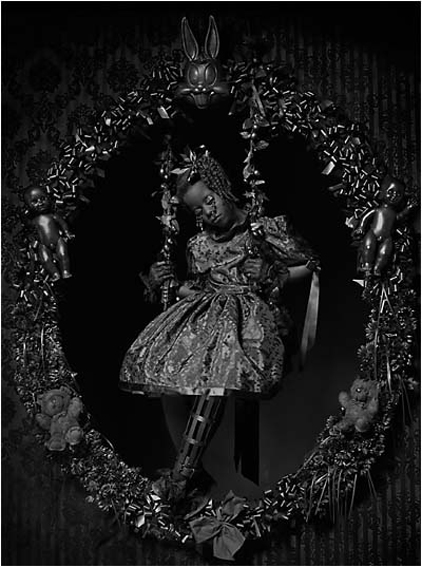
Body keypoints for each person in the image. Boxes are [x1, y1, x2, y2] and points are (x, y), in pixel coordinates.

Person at [119, 149, 320, 496]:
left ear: (222, 186)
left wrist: (274, 273)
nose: (207, 212)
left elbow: (312, 265)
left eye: (209, 200)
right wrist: (166, 284)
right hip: (209, 325)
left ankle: (184, 472)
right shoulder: (198, 246)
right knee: (170, 372)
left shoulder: (263, 230)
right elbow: (198, 293)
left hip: (247, 328)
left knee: (219, 375)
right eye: (197, 210)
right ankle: (191, 469)